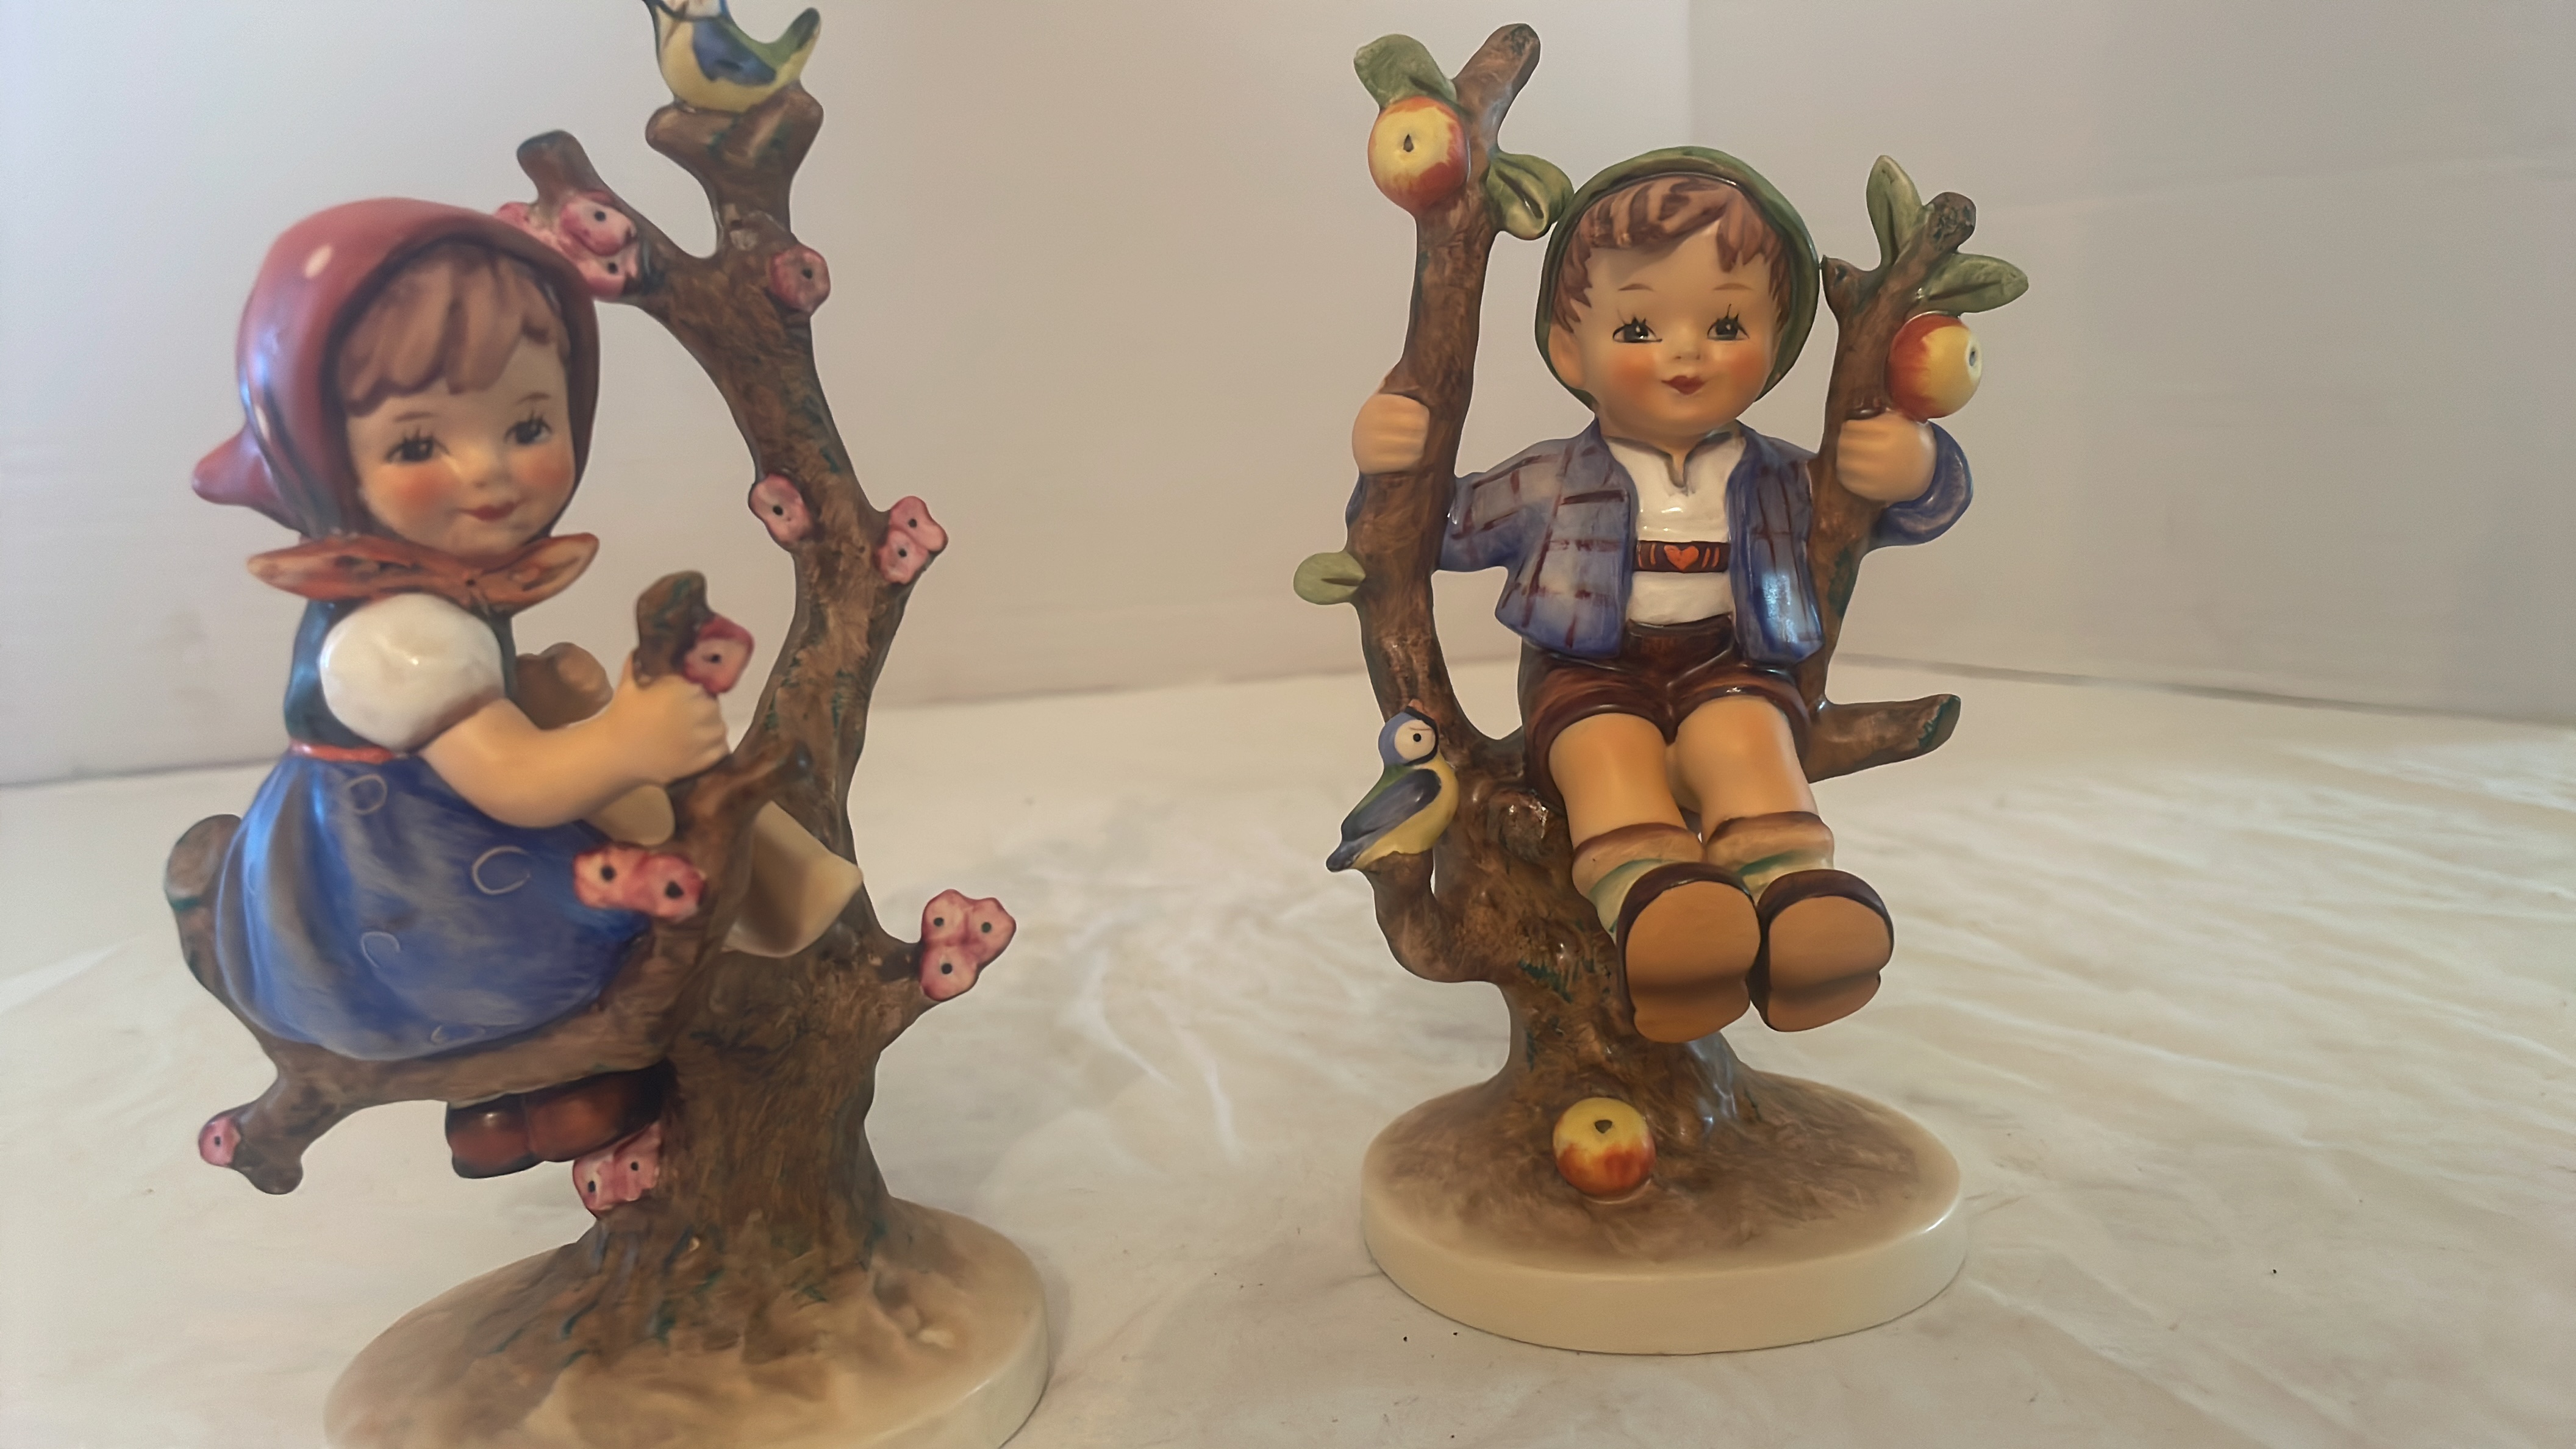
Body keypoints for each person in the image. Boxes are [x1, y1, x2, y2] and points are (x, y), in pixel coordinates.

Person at [1348, 149, 1972, 1043]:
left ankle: (1798, 908)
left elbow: (1893, 516)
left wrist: (1913, 468)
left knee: (1749, 742)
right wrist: (1392, 465)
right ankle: (1664, 918)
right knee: (1608, 759)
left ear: (1778, 340)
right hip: (1589, 676)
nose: (1686, 351)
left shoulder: (1784, 479)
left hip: (1732, 665)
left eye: (1727, 323)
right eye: (1640, 327)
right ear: (1571, 348)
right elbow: (1432, 531)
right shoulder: (1549, 481)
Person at [196, 200, 729, 1175]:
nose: (487, 471)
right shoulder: (399, 629)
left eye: (527, 424)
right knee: (589, 915)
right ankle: (566, 1087)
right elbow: (511, 782)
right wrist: (629, 741)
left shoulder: (425, 595)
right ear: (323, 461)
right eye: (415, 446)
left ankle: (499, 1113)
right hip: (408, 901)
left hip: (376, 885)